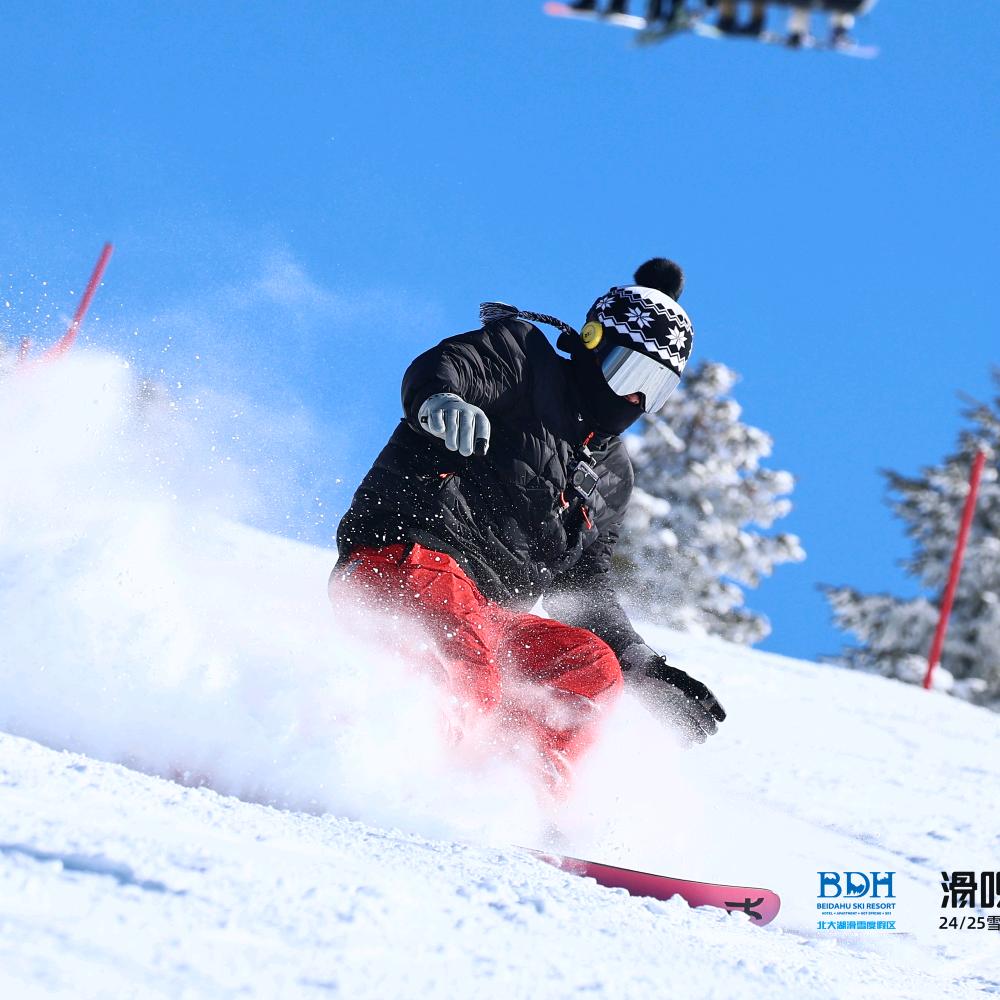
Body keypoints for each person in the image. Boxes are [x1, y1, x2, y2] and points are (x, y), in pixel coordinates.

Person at [331, 259, 726, 793]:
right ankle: (397, 776)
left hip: (490, 616)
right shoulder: (522, 361)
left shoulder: (611, 475)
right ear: (592, 345)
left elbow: (582, 588)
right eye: (629, 373)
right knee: (467, 666)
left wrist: (644, 667)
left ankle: (520, 797)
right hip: (406, 562)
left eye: (654, 389)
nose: (634, 399)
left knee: (587, 666)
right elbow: (449, 366)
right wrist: (439, 400)